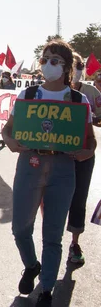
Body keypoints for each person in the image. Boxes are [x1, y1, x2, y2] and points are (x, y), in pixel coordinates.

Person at [1, 40, 96, 307]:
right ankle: (31, 266)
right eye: (44, 59)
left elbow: (90, 141)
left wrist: (86, 153)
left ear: (66, 67)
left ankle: (46, 289)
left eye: (54, 60)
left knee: (53, 235)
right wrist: (10, 142)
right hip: (30, 164)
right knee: (20, 228)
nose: (47, 64)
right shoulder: (28, 96)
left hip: (64, 169)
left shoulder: (78, 100)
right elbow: (8, 130)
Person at [68, 53, 101, 264]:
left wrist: (91, 118)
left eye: (79, 65)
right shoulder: (46, 93)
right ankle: (51, 243)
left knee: (78, 199)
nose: (77, 69)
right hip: (54, 157)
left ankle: (74, 242)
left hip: (82, 156)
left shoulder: (90, 93)